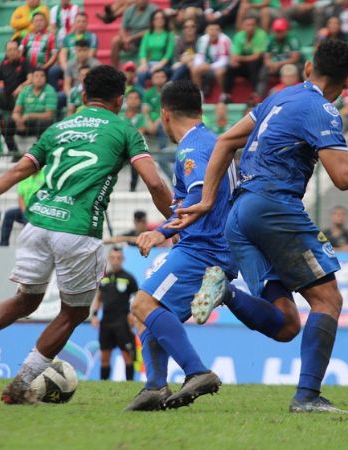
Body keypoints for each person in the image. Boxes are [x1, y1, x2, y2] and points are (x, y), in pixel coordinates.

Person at [168, 39, 348, 413]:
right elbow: (344, 177)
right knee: (328, 300)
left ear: (308, 67)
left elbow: (224, 142)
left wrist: (207, 201)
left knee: (287, 324)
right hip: (275, 206)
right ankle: (307, 397)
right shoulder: (322, 109)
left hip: (239, 216)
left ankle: (227, 293)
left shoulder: (278, 98)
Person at [0, 65, 173, 404]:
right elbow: (154, 181)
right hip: (78, 230)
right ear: (119, 100)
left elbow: (16, 171)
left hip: (38, 223)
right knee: (73, 312)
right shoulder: (125, 130)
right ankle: (19, 386)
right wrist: (174, 221)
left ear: (84, 96)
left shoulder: (59, 128)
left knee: (24, 300)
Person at [125, 79, 240, 410]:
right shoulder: (209, 141)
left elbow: (198, 197)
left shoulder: (193, 148)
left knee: (142, 304)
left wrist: (161, 231)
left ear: (164, 115)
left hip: (204, 247)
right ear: (200, 110)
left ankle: (197, 371)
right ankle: (154, 386)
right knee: (154, 312)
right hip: (210, 244)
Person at [90, 247, 139, 381]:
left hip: (123, 322)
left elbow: (137, 298)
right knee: (104, 357)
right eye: (113, 257)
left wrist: (133, 315)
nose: (116, 260)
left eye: (118, 258)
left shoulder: (129, 278)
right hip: (106, 322)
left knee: (127, 356)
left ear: (123, 259)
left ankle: (129, 384)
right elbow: (99, 297)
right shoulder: (104, 278)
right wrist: (94, 315)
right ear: (109, 259)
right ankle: (103, 385)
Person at [222, 15, 267, 103]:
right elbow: (235, 55)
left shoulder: (261, 35)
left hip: (257, 65)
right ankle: (227, 95)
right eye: (247, 25)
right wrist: (235, 61)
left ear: (256, 26)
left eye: (252, 25)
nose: (250, 27)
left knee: (253, 64)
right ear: (243, 26)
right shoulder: (239, 36)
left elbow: (256, 56)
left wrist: (240, 58)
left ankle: (255, 94)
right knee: (230, 67)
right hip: (244, 64)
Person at [12, 68, 57, 153]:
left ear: (46, 78)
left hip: (41, 122)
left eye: (42, 76)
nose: (39, 78)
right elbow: (16, 111)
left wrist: (30, 116)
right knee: (8, 122)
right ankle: (14, 152)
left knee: (42, 124)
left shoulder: (50, 91)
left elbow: (49, 115)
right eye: (36, 76)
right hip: (25, 122)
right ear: (32, 78)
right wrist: (18, 120)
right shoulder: (25, 90)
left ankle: (40, 152)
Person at [53, 12, 97, 91]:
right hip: (70, 65)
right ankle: (53, 93)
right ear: (74, 23)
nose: (81, 23)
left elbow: (90, 54)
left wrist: (79, 68)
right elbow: (63, 54)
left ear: (87, 23)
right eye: (79, 21)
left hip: (86, 65)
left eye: (83, 21)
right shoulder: (68, 37)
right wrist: (67, 67)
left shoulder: (92, 37)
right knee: (53, 71)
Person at [0, 170, 44, 246]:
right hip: (25, 209)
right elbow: (20, 197)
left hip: (39, 210)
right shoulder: (25, 176)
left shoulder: (45, 174)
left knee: (27, 218)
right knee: (9, 214)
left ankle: (28, 245)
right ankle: (3, 244)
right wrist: (25, 211)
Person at [258, 18, 300, 98]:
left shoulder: (293, 39)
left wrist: (279, 64)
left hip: (291, 64)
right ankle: (259, 95)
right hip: (275, 66)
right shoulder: (270, 39)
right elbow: (266, 58)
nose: (278, 33)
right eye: (276, 31)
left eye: (280, 31)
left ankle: (302, 89)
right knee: (264, 70)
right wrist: (270, 64)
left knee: (298, 68)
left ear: (286, 30)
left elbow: (295, 58)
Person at [110, 0, 158, 69]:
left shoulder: (154, 9)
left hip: (148, 38)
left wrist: (131, 38)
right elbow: (122, 28)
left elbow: (152, 29)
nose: (141, 1)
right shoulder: (129, 10)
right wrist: (125, 39)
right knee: (115, 40)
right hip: (131, 39)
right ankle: (113, 68)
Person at [136, 10, 174, 88]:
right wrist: (143, 64)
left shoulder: (169, 34)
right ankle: (143, 97)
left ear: (165, 20)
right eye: (156, 18)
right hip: (150, 63)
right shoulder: (148, 34)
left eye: (162, 18)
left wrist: (159, 65)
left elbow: (169, 54)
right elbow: (142, 51)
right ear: (152, 21)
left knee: (159, 75)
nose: (159, 20)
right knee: (140, 74)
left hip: (164, 64)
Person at [191, 22, 231, 95]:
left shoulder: (224, 40)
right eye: (211, 29)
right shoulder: (202, 40)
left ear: (220, 31)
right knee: (194, 69)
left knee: (219, 72)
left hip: (222, 64)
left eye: (216, 30)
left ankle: (224, 94)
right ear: (206, 31)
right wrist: (201, 64)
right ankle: (199, 94)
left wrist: (210, 66)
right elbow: (199, 56)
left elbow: (224, 60)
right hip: (208, 64)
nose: (213, 32)